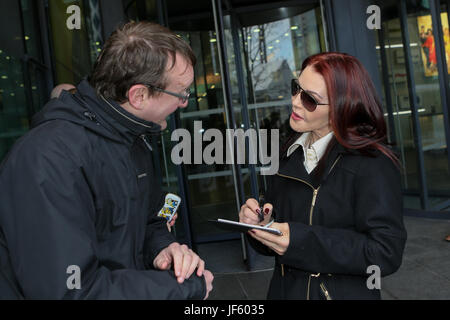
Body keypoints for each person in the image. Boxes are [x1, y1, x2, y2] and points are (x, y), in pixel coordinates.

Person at [0, 21, 213, 299]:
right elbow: (71, 292)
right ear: (138, 95)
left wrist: (163, 248)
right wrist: (184, 290)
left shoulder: (132, 139)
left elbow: (151, 220)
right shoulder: (47, 158)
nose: (184, 102)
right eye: (181, 93)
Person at [239, 52, 407, 300]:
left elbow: (384, 253)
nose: (295, 101)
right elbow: (279, 235)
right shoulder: (287, 153)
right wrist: (260, 225)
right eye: (296, 88)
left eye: (310, 99)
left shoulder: (372, 163)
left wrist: (297, 241)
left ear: (341, 108)